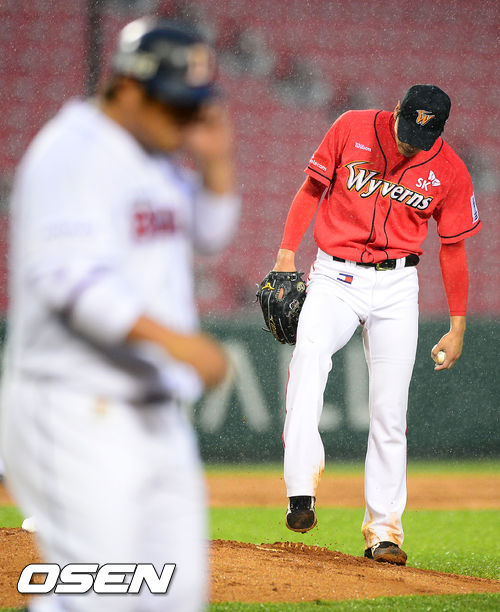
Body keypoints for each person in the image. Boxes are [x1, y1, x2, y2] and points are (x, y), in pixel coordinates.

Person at [0, 16, 239, 612]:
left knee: (174, 596)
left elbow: (209, 233)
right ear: (128, 87)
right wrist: (176, 342)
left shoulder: (154, 157)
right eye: (175, 105)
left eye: (193, 107)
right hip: (75, 406)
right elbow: (68, 281)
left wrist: (215, 163)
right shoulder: (73, 151)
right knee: (94, 597)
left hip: (155, 412)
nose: (185, 120)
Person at [272, 85, 481, 565]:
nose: (411, 142)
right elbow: (312, 189)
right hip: (335, 276)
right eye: (407, 129)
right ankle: (300, 492)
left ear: (439, 131)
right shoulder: (352, 127)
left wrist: (457, 326)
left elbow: (453, 248)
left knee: (390, 410)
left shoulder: (450, 169)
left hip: (398, 286)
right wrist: (286, 255)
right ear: (397, 110)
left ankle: (384, 533)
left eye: (423, 136)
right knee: (308, 358)